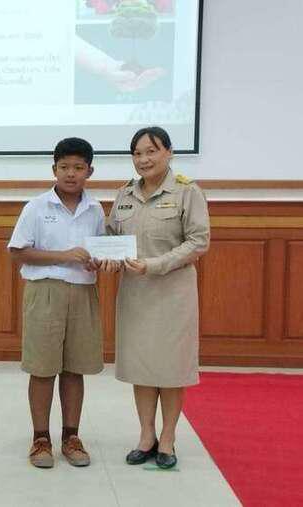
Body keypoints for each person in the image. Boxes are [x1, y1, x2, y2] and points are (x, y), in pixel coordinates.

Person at [102, 126, 210, 469]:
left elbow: (198, 241)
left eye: (151, 151)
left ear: (169, 153)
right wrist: (106, 256)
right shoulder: (124, 194)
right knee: (142, 366)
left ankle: (168, 437)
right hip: (135, 294)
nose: (143, 159)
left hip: (173, 294)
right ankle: (146, 435)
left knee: (171, 368)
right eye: (137, 153)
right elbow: (111, 235)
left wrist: (155, 265)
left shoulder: (187, 192)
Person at [8, 138, 106, 468]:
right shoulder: (36, 207)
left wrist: (98, 261)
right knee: (42, 367)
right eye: (64, 167)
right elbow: (18, 252)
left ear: (90, 171)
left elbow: (100, 251)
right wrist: (63, 256)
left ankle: (71, 437)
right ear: (54, 169)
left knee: (75, 368)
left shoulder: (95, 210)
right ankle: (40, 439)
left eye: (78, 167)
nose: (70, 173)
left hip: (83, 293)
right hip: (45, 292)